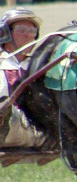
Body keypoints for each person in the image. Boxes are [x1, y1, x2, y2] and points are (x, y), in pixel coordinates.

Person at [0, 8, 50, 147]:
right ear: (5, 34)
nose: (29, 35)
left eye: (33, 31)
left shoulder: (40, 66)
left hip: (34, 129)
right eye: (22, 30)